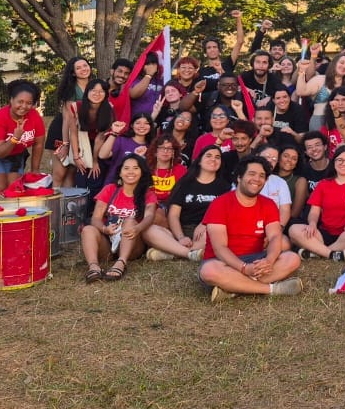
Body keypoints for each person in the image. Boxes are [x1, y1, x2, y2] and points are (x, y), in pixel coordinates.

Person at [198, 157, 303, 302]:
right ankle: (272, 289)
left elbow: (274, 237)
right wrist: (243, 268)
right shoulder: (220, 203)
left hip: (255, 260)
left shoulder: (268, 204)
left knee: (292, 258)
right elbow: (220, 248)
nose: (257, 179)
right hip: (222, 262)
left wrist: (269, 260)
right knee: (209, 271)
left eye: (262, 176)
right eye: (252, 174)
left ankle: (234, 288)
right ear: (239, 177)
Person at [80, 153, 157, 282]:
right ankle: (93, 266)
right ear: (120, 173)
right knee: (88, 229)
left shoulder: (148, 194)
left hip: (132, 241)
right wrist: (105, 229)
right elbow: (95, 218)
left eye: (136, 168)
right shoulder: (110, 189)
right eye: (126, 168)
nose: (130, 172)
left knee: (130, 221)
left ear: (142, 172)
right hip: (109, 240)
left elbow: (150, 217)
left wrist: (137, 228)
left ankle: (121, 263)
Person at [144, 144, 225, 261]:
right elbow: (174, 215)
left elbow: (224, 214)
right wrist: (181, 237)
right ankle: (189, 253)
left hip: (207, 231)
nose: (213, 159)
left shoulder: (224, 187)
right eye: (209, 156)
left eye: (218, 157)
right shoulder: (185, 183)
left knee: (219, 233)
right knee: (148, 230)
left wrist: (205, 223)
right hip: (181, 230)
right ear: (200, 161)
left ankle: (172, 253)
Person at [288, 145, 345, 261]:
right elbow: (314, 211)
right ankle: (332, 254)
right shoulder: (323, 184)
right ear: (334, 162)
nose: (343, 163)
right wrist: (312, 223)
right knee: (293, 230)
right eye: (339, 160)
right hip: (324, 233)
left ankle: (318, 252)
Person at [47, 56, 90, 187]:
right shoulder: (71, 90)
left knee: (72, 171)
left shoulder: (94, 86)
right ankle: (55, 204)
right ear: (73, 73)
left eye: (85, 65)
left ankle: (67, 206)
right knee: (60, 173)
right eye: (78, 68)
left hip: (80, 132)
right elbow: (67, 119)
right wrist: (65, 144)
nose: (83, 69)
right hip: (62, 130)